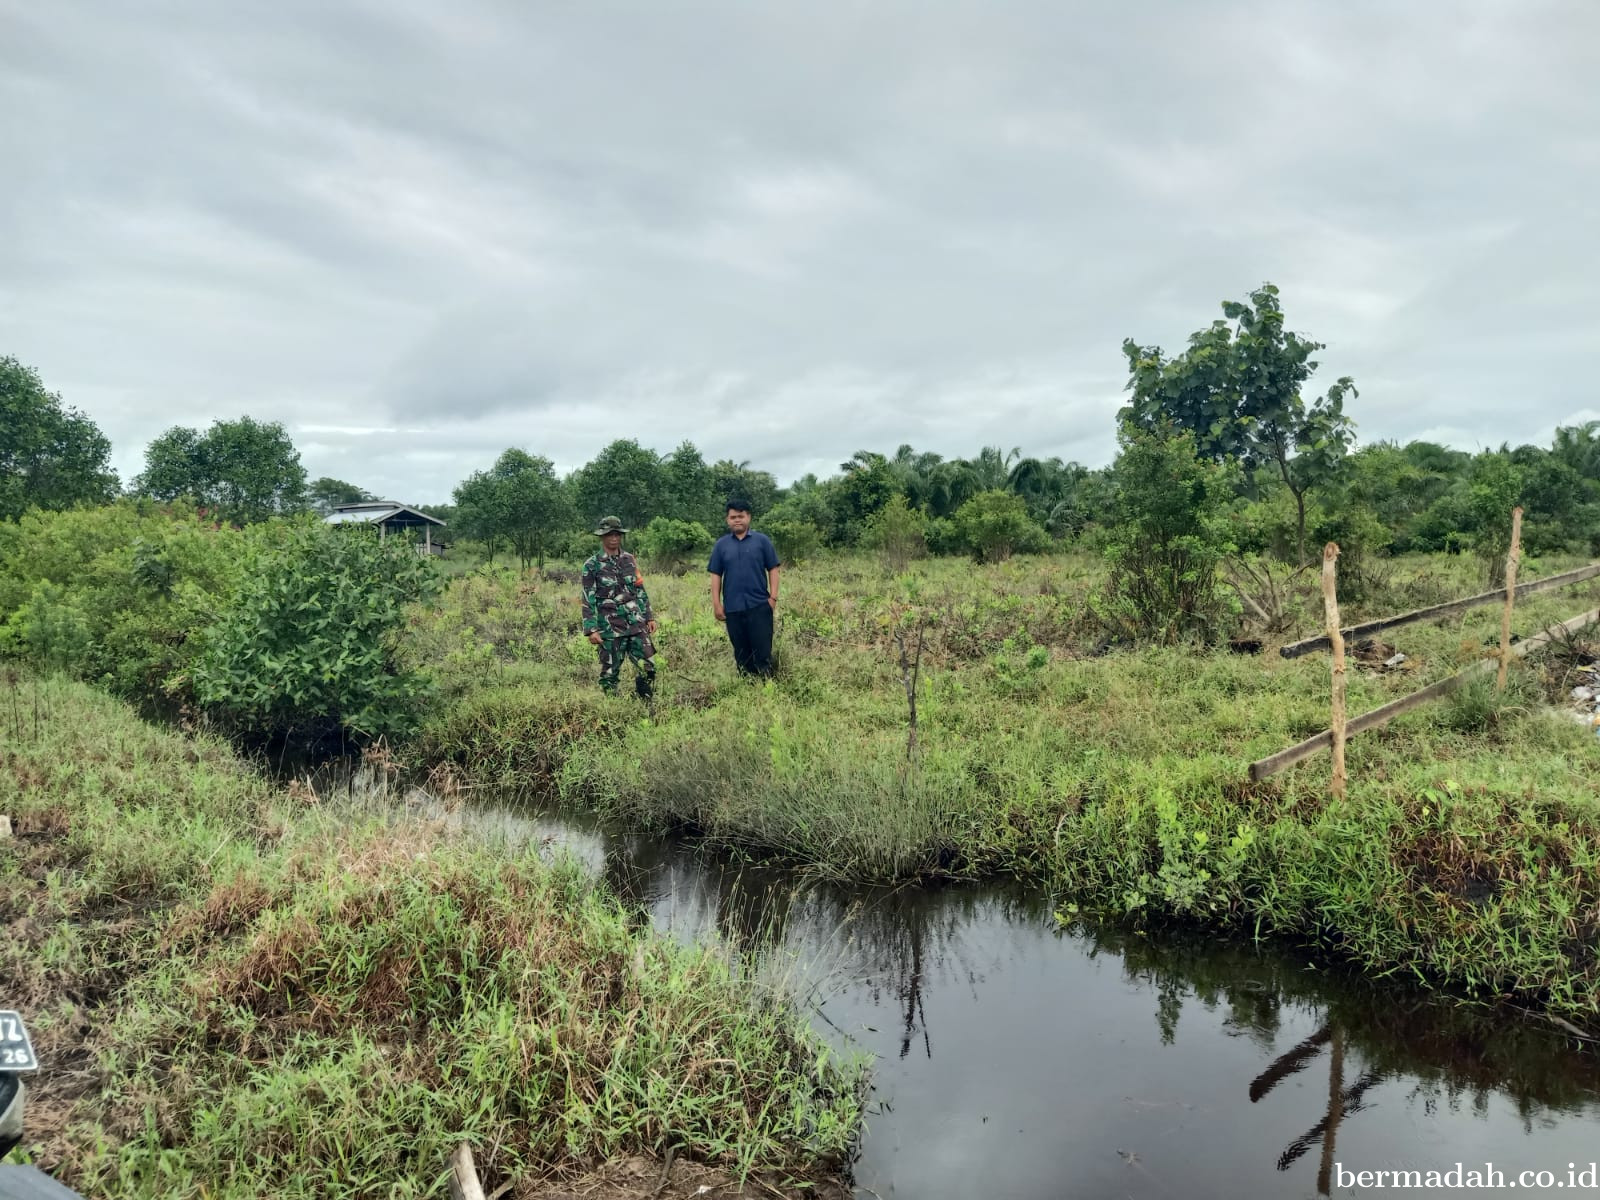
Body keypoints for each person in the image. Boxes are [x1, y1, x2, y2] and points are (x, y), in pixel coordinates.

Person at [580, 516, 658, 698]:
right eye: (609, 535)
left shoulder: (629, 559)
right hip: (610, 627)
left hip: (636, 623)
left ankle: (645, 701)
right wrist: (591, 629)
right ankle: (612, 708)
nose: (614, 538)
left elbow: (639, 588)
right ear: (602, 537)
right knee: (609, 673)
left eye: (617, 534)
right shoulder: (591, 565)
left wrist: (649, 616)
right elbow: (587, 598)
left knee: (648, 665)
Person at [707, 499, 781, 676]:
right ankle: (746, 685)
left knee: (763, 651)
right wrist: (717, 604)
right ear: (727, 520)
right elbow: (716, 575)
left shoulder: (762, 541)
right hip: (733, 608)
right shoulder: (721, 545)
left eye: (741, 516)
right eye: (733, 517)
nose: (737, 520)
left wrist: (773, 598)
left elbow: (773, 568)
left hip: (760, 606)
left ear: (749, 517)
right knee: (741, 653)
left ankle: (766, 686)